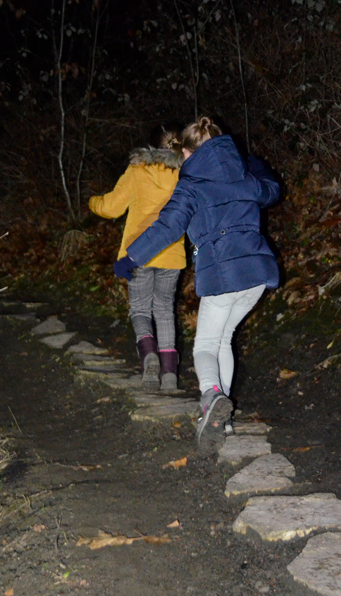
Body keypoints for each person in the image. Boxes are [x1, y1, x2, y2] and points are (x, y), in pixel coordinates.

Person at [113, 116, 281, 454]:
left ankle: (211, 399)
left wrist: (131, 258)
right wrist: (255, 166)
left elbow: (167, 228)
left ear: (188, 153)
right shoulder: (243, 175)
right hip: (257, 275)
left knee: (205, 345)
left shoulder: (191, 185)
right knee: (223, 339)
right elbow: (271, 190)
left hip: (224, 275)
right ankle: (225, 417)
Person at [89, 123, 186, 391]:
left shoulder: (137, 170)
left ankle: (150, 357)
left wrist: (92, 202)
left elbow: (111, 207)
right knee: (165, 310)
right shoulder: (184, 173)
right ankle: (169, 374)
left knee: (140, 309)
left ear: (151, 146)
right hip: (171, 253)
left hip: (138, 252)